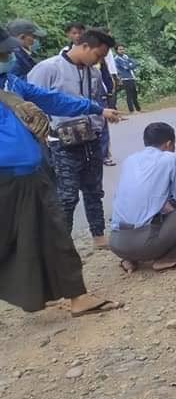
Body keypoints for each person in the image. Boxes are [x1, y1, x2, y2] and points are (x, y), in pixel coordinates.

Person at [0, 27, 122, 316]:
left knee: (48, 233)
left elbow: (53, 99)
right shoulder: (32, 74)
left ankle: (74, 295)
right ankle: (71, 295)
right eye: (3, 53)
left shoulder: (10, 83)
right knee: (34, 234)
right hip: (11, 177)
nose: (9, 56)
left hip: (29, 173)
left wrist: (95, 108)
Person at [27, 28, 122, 247]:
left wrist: (101, 123)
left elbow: (97, 102)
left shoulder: (94, 73)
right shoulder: (48, 69)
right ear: (85, 46)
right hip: (62, 143)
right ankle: (62, 243)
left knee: (94, 190)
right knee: (67, 196)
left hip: (91, 140)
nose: (98, 60)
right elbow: (31, 104)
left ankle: (98, 235)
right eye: (97, 55)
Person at [109, 123, 176, 273]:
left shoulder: (130, 160)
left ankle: (129, 258)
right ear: (169, 144)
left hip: (116, 244)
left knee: (152, 214)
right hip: (144, 245)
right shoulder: (171, 158)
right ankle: (173, 257)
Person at [115, 45, 142, 113]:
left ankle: (138, 109)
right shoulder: (117, 59)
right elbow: (126, 67)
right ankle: (131, 110)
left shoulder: (125, 56)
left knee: (134, 94)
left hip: (131, 77)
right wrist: (130, 64)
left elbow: (135, 63)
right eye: (120, 49)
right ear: (117, 51)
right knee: (129, 94)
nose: (122, 51)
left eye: (123, 49)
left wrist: (130, 65)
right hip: (125, 78)